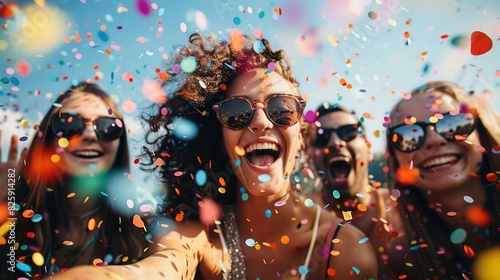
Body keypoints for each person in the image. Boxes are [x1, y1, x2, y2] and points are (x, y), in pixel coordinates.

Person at [47, 32, 378, 279]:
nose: (261, 122)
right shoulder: (201, 237)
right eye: (236, 113)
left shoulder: (346, 249)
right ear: (217, 137)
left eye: (281, 109)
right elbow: (148, 272)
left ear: (301, 133)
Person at [0, 81, 146, 279]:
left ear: (120, 143)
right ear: (47, 138)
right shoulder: (13, 220)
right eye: (69, 123)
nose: (89, 134)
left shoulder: (144, 227)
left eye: (107, 126)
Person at [385, 81, 500, 278]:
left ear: (480, 132)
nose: (434, 140)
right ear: (396, 161)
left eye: (454, 123)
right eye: (408, 135)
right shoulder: (403, 257)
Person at [306, 103, 403, 279]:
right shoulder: (299, 217)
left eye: (348, 132)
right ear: (311, 157)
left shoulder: (403, 210)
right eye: (321, 137)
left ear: (369, 149)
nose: (335, 142)